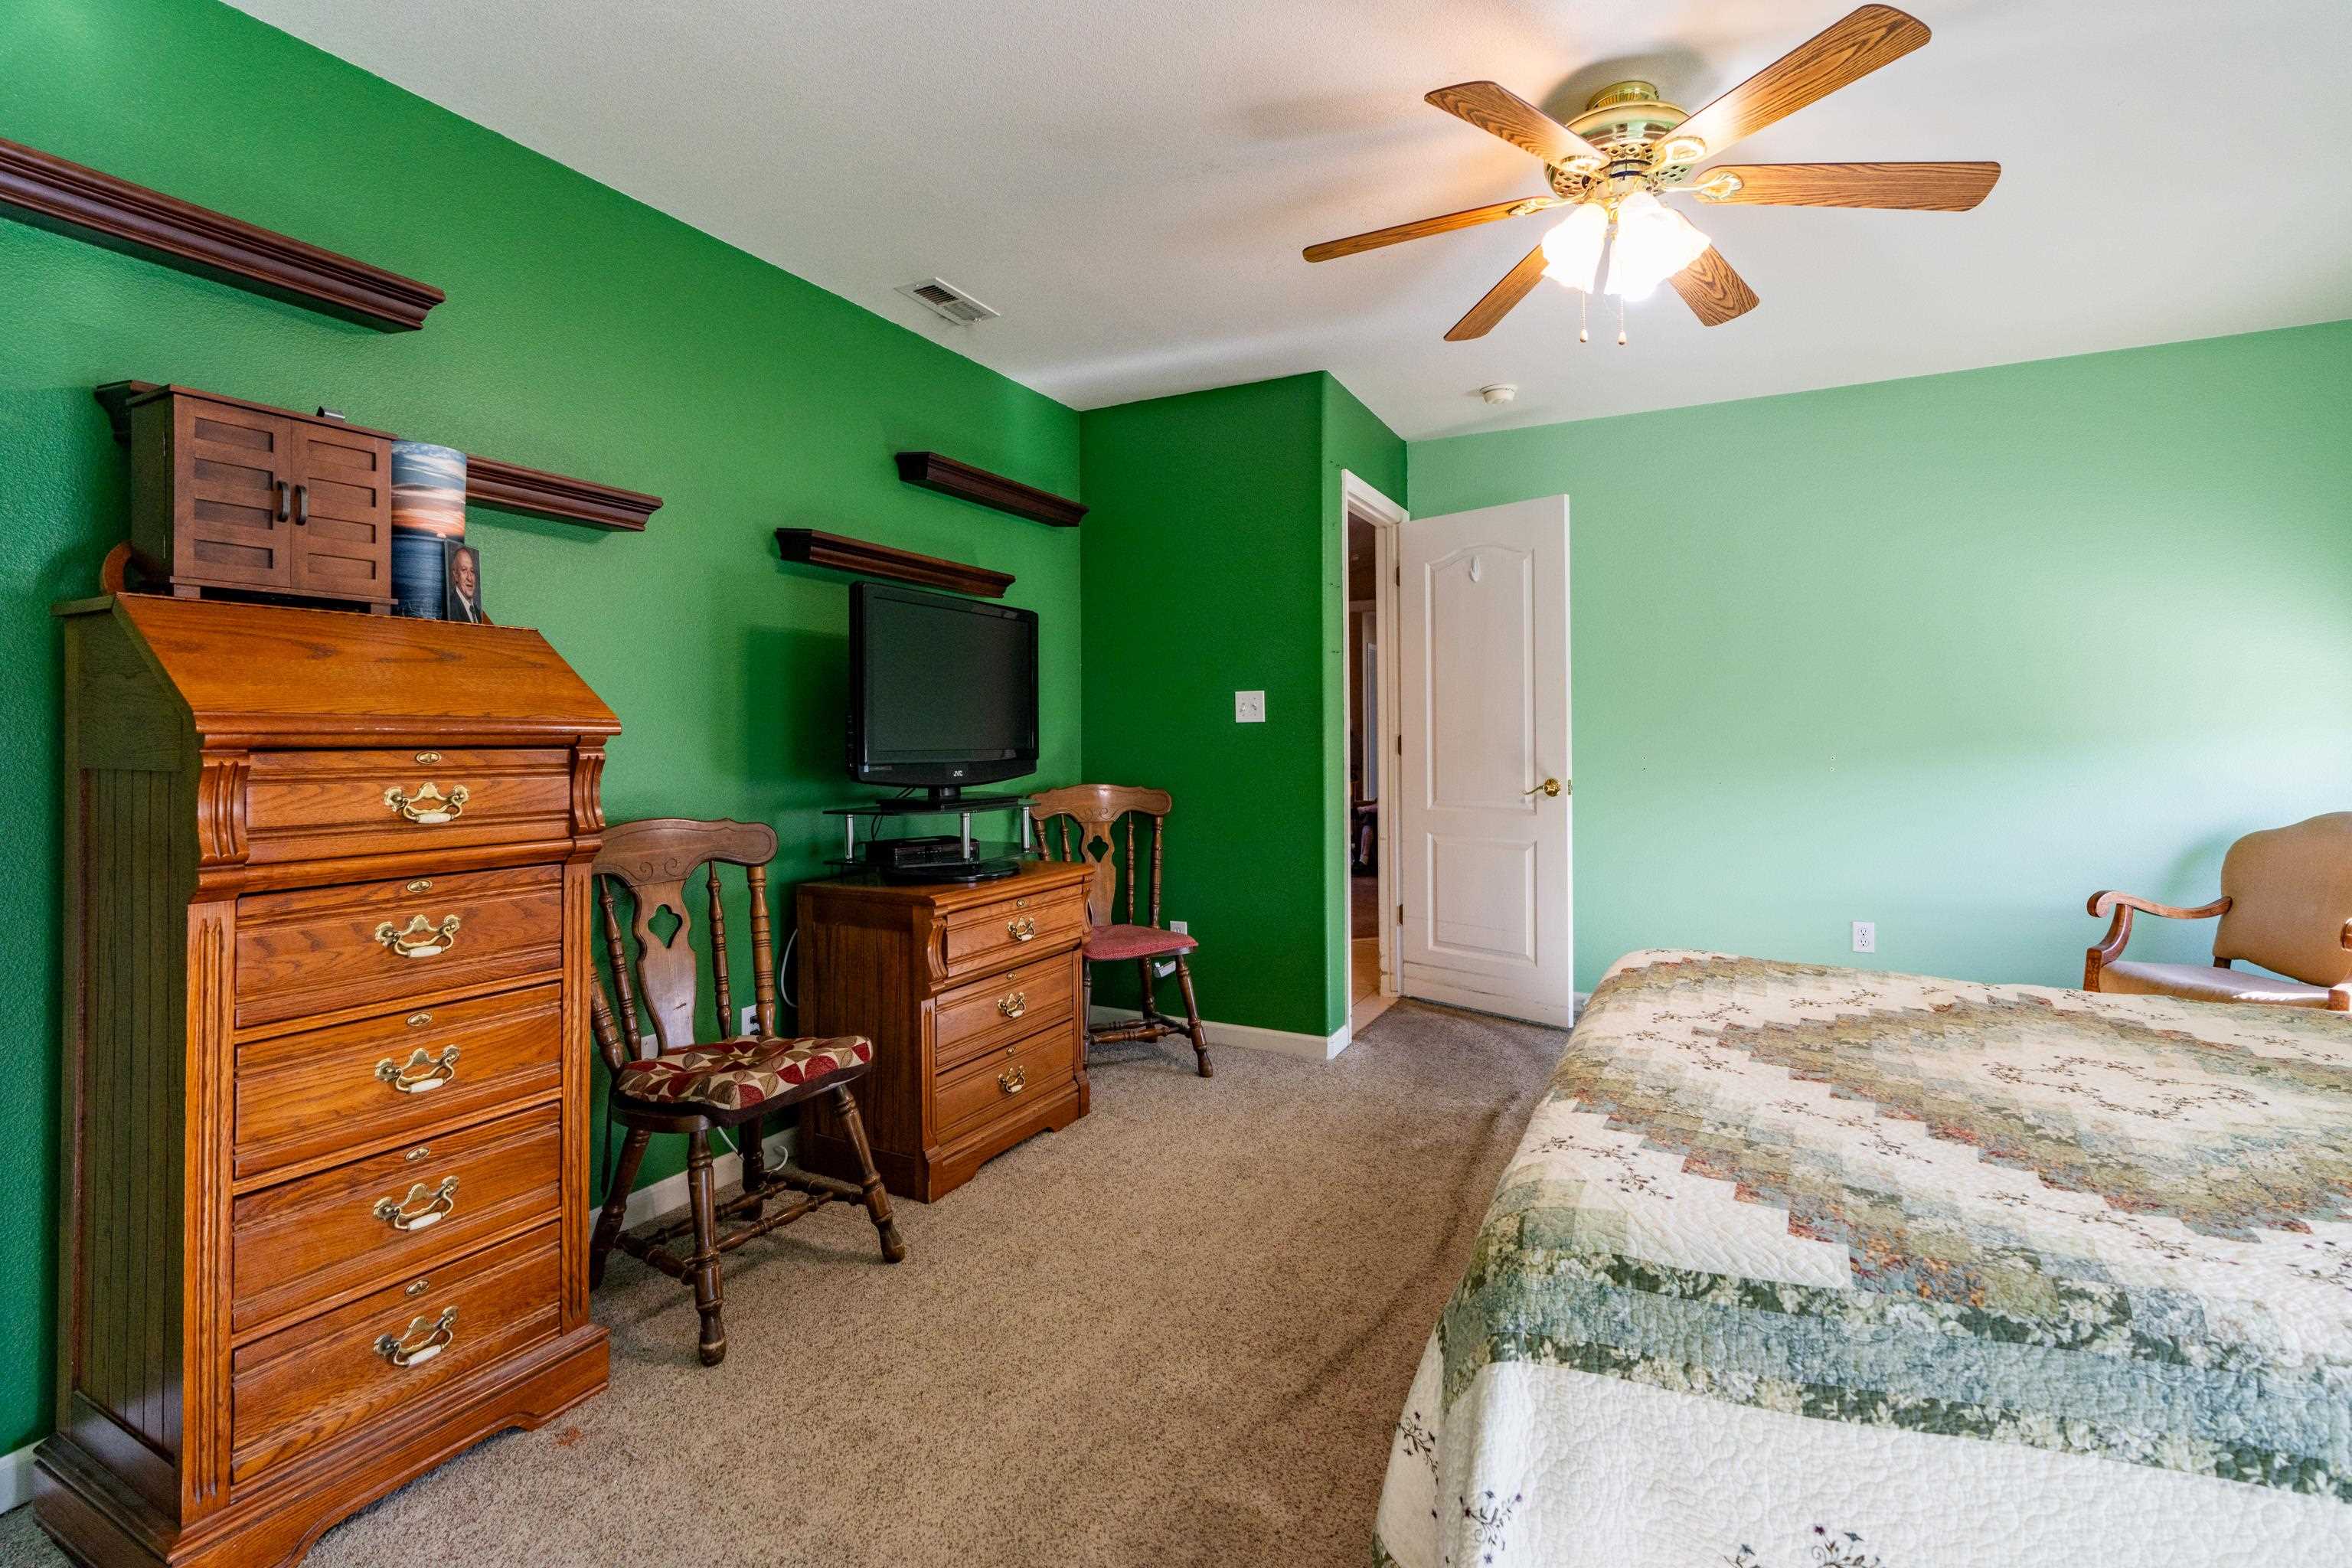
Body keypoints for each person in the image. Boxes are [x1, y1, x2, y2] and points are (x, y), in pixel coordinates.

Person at [446, 544, 485, 623]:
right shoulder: (450, 609)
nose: (470, 578)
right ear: (456, 575)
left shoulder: (478, 613)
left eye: (472, 571)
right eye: (464, 570)